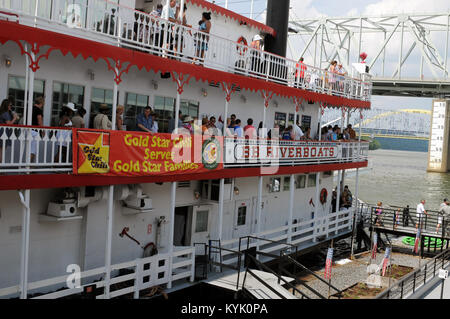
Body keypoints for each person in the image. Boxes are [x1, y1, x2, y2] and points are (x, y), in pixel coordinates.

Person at [0, 98, 19, 164]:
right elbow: (9, 124)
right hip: (3, 133)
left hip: (3, 133)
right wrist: (14, 118)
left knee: (1, 151)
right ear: (6, 105)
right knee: (2, 151)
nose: (11, 107)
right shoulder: (5, 113)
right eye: (10, 105)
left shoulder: (4, 113)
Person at [31, 96, 45, 163]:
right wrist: (43, 131)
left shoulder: (30, 108)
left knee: (29, 149)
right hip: (34, 131)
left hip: (28, 130)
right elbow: (39, 122)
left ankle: (30, 166)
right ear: (41, 103)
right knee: (33, 150)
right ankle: (29, 167)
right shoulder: (39, 110)